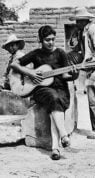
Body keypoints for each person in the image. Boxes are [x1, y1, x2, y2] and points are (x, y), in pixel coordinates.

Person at [11, 25, 77, 160]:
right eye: (47, 40)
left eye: (53, 39)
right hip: (41, 89)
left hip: (60, 88)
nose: (51, 42)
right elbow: (15, 64)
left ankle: (55, 149)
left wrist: (75, 76)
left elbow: (65, 76)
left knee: (56, 101)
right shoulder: (36, 54)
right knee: (53, 97)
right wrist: (30, 72)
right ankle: (63, 135)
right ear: (40, 40)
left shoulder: (60, 53)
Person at [69, 7, 95, 139]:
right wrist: (75, 35)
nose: (76, 23)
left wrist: (90, 63)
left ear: (84, 20)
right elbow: (75, 48)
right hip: (91, 67)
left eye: (78, 21)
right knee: (92, 97)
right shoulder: (83, 32)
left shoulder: (94, 29)